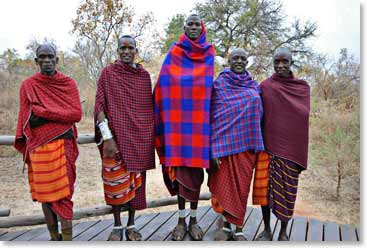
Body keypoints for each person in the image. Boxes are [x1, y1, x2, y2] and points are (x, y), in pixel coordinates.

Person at [153, 14, 215, 241]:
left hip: (199, 124)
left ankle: (194, 220)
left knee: (196, 174)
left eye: (197, 24)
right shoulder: (175, 52)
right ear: (184, 27)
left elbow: (209, 88)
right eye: (190, 24)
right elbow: (163, 83)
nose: (193, 27)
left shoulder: (208, 53)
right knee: (180, 172)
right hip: (177, 123)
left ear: (202, 27)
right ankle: (180, 221)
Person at [14, 44, 82, 241]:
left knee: (65, 194)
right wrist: (58, 116)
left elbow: (76, 114)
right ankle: (54, 239)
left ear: (57, 59)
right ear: (36, 61)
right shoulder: (28, 85)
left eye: (50, 56)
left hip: (64, 146)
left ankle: (67, 242)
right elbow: (27, 119)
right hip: (39, 148)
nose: (46, 60)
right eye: (41, 57)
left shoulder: (68, 84)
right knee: (46, 196)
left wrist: (44, 112)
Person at [94, 35, 155, 241]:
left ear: (136, 50)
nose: (126, 51)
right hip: (114, 140)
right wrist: (108, 137)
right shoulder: (108, 74)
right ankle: (117, 225)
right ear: (117, 50)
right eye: (123, 48)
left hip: (138, 139)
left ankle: (131, 224)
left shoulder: (144, 77)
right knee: (115, 185)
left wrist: (145, 136)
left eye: (130, 48)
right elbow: (99, 107)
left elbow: (147, 109)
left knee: (135, 185)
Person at [254, 47, 310, 241]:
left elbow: (302, 121)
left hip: (290, 151)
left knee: (288, 192)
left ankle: (283, 231)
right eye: (276, 61)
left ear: (291, 62)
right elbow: (258, 114)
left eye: (284, 61)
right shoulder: (265, 86)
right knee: (264, 191)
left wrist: (298, 151)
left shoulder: (302, 88)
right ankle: (267, 229)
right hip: (267, 147)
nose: (280, 65)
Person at [208, 48, 264, 241]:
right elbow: (212, 117)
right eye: (235, 58)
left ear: (247, 62)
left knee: (242, 188)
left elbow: (261, 114)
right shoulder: (219, 85)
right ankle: (224, 226)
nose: (239, 61)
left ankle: (238, 228)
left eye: (243, 58)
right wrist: (211, 149)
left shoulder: (254, 86)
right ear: (228, 61)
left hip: (246, 145)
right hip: (222, 146)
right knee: (224, 187)